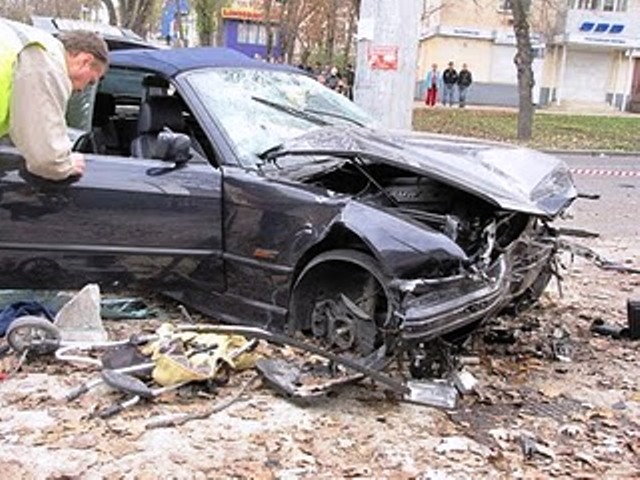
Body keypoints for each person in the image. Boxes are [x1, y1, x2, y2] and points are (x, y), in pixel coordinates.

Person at [0, 19, 108, 181]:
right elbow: (46, 159)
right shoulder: (45, 65)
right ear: (85, 61)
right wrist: (67, 164)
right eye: (90, 81)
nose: (81, 90)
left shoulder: (28, 44)